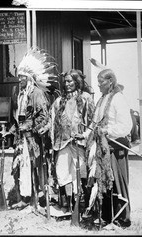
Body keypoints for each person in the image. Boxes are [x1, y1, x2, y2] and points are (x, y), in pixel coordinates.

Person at [4, 48, 55, 210]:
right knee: (22, 167)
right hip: (22, 138)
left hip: (34, 139)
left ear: (30, 78)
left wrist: (30, 127)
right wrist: (11, 131)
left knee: (35, 167)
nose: (20, 80)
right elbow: (17, 118)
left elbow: (43, 117)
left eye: (23, 77)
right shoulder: (19, 94)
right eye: (19, 77)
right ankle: (25, 198)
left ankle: (36, 198)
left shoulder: (37, 93)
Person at [82, 68, 133, 228]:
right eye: (97, 82)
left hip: (114, 148)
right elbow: (95, 123)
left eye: (101, 82)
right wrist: (85, 135)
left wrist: (108, 131)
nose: (98, 85)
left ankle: (121, 219)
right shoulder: (102, 99)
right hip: (101, 148)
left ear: (110, 81)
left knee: (116, 182)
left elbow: (126, 126)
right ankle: (106, 217)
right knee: (103, 182)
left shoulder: (118, 99)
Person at [40, 69, 95, 214]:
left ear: (77, 82)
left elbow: (92, 120)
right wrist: (45, 128)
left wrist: (85, 135)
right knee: (62, 171)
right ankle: (66, 204)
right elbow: (52, 120)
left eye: (70, 81)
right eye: (65, 81)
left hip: (80, 142)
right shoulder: (60, 101)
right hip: (63, 142)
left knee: (80, 172)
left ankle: (84, 206)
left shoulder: (86, 98)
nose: (67, 84)